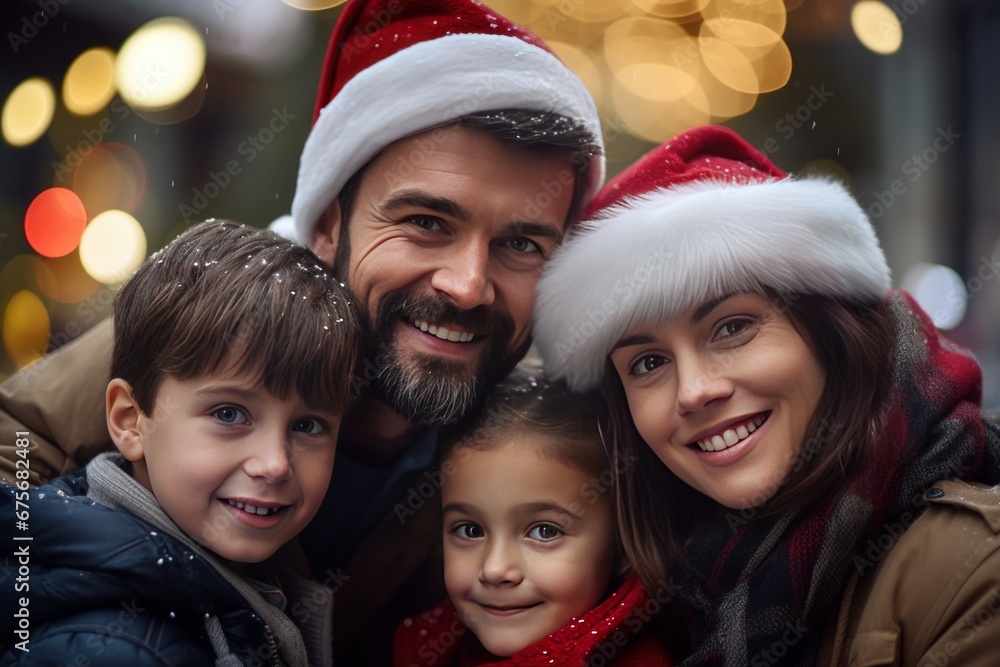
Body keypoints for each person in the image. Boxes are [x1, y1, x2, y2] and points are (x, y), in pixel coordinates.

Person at [0, 0, 603, 663]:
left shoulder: (531, 438)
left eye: (521, 243)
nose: (467, 284)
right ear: (325, 225)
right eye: (427, 223)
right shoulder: (216, 325)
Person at [533, 125, 1000, 666]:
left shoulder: (974, 566)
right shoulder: (631, 595)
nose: (695, 391)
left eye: (731, 328)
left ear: (829, 332)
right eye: (648, 363)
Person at [1, 220, 359, 665]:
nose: (274, 464)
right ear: (130, 421)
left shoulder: (255, 587)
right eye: (229, 414)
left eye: (307, 426)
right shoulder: (115, 649)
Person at [391, 367, 675, 667]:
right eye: (470, 530)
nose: (494, 569)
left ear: (622, 545)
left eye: (544, 531)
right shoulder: (427, 643)